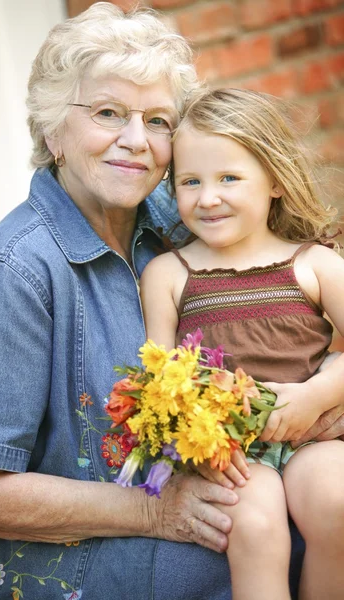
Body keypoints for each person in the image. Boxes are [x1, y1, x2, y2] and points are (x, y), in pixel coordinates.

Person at [0, 5, 343, 599]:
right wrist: (153, 511)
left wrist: (323, 395)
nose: (136, 140)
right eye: (108, 113)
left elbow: (286, 334)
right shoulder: (16, 273)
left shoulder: (176, 221)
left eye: (157, 120)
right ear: (54, 130)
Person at [140, 87, 344, 600]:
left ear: (274, 180)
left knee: (339, 505)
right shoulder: (169, 274)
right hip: (230, 453)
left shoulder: (312, 264)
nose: (208, 197)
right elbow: (160, 380)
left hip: (311, 440)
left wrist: (319, 395)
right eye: (190, 182)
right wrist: (200, 436)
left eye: (229, 178)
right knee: (255, 530)